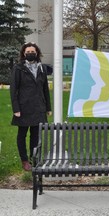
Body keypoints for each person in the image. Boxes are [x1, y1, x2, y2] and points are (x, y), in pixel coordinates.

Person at [10, 42, 52, 171]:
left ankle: (35, 159)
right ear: (23, 53)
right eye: (27, 52)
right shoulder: (18, 68)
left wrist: (48, 108)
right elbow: (13, 89)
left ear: (37, 53)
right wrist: (16, 109)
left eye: (32, 52)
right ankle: (24, 160)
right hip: (23, 108)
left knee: (36, 135)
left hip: (38, 107)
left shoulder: (41, 68)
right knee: (22, 135)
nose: (30, 54)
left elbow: (45, 89)